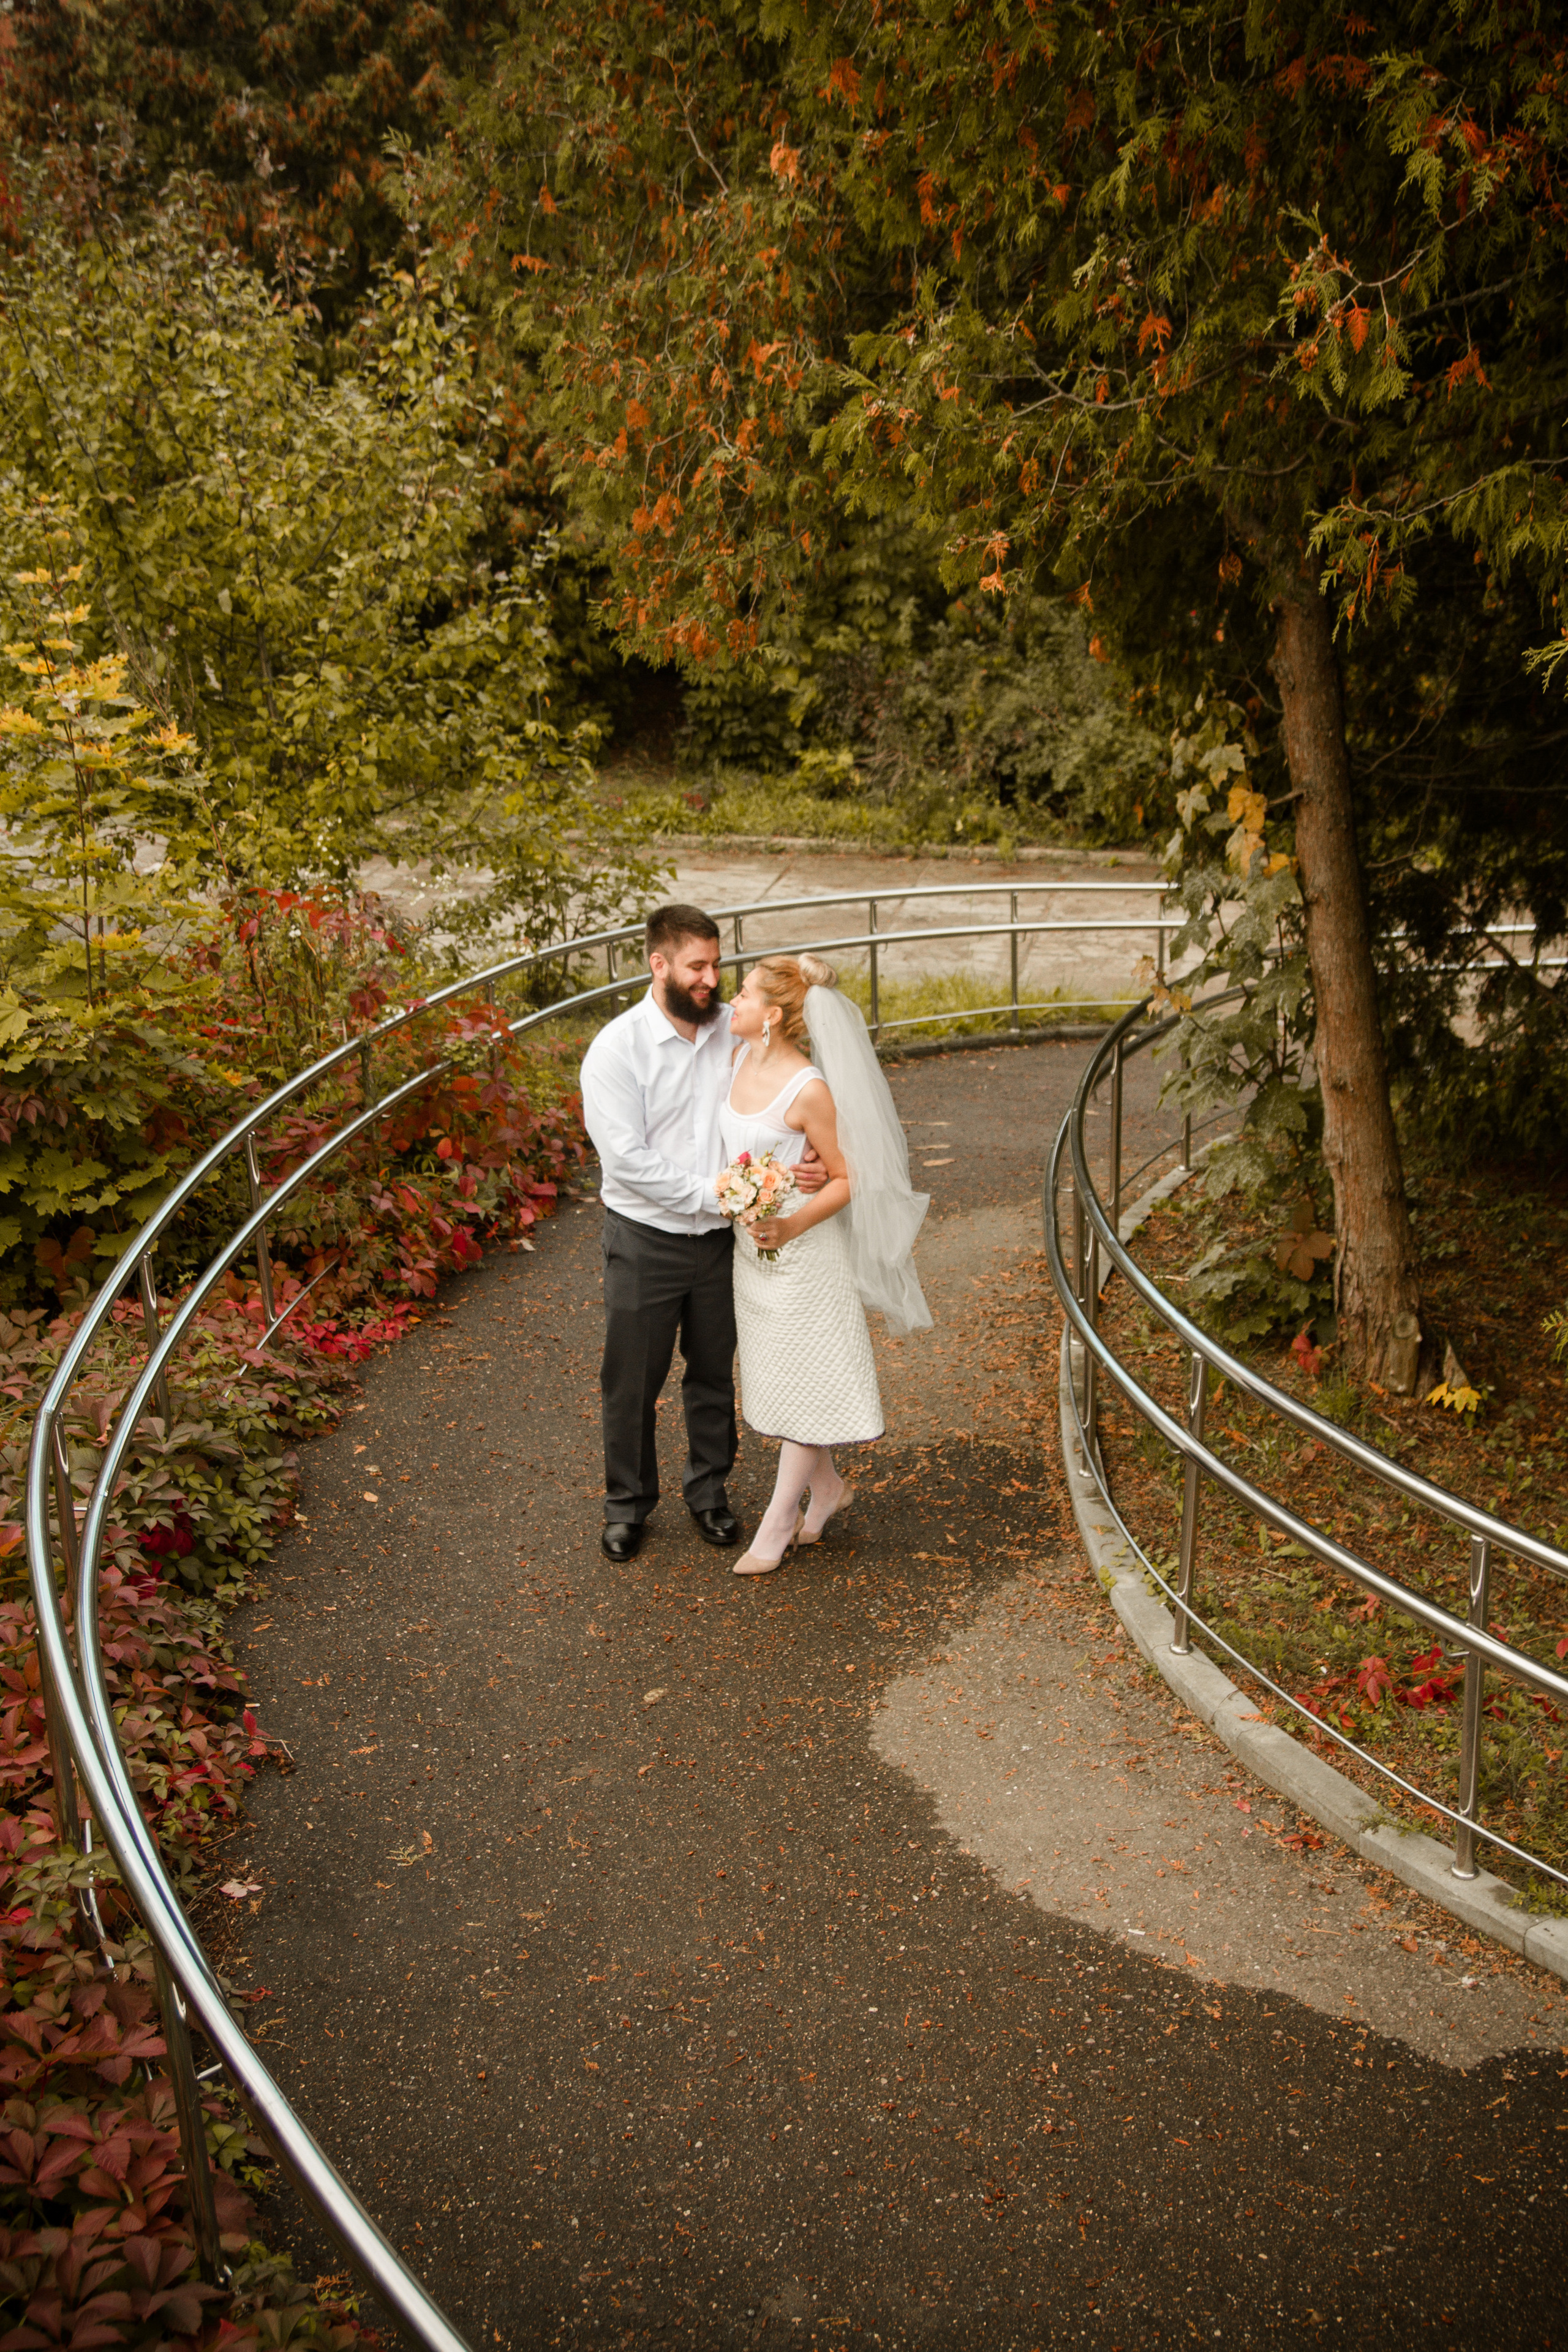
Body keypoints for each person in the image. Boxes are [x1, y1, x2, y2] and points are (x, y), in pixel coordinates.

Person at [579, 903, 827, 1562]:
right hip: (645, 1240)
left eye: (717, 965)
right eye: (697, 966)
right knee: (631, 1381)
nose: (711, 980)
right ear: (658, 964)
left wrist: (806, 1151)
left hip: (725, 1243)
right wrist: (715, 1195)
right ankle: (627, 1507)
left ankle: (709, 1493)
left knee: (714, 1374)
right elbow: (626, 1160)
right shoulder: (616, 1049)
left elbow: (787, 1088)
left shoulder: (733, 1029)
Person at [717, 953, 933, 1577]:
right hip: (752, 1252)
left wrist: (789, 1223)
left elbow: (846, 1177)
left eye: (744, 993)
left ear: (772, 1014)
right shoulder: (736, 1059)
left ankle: (778, 1521)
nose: (734, 1000)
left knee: (807, 1381)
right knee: (782, 1378)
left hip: (805, 1253)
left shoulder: (808, 1089)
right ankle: (829, 1487)